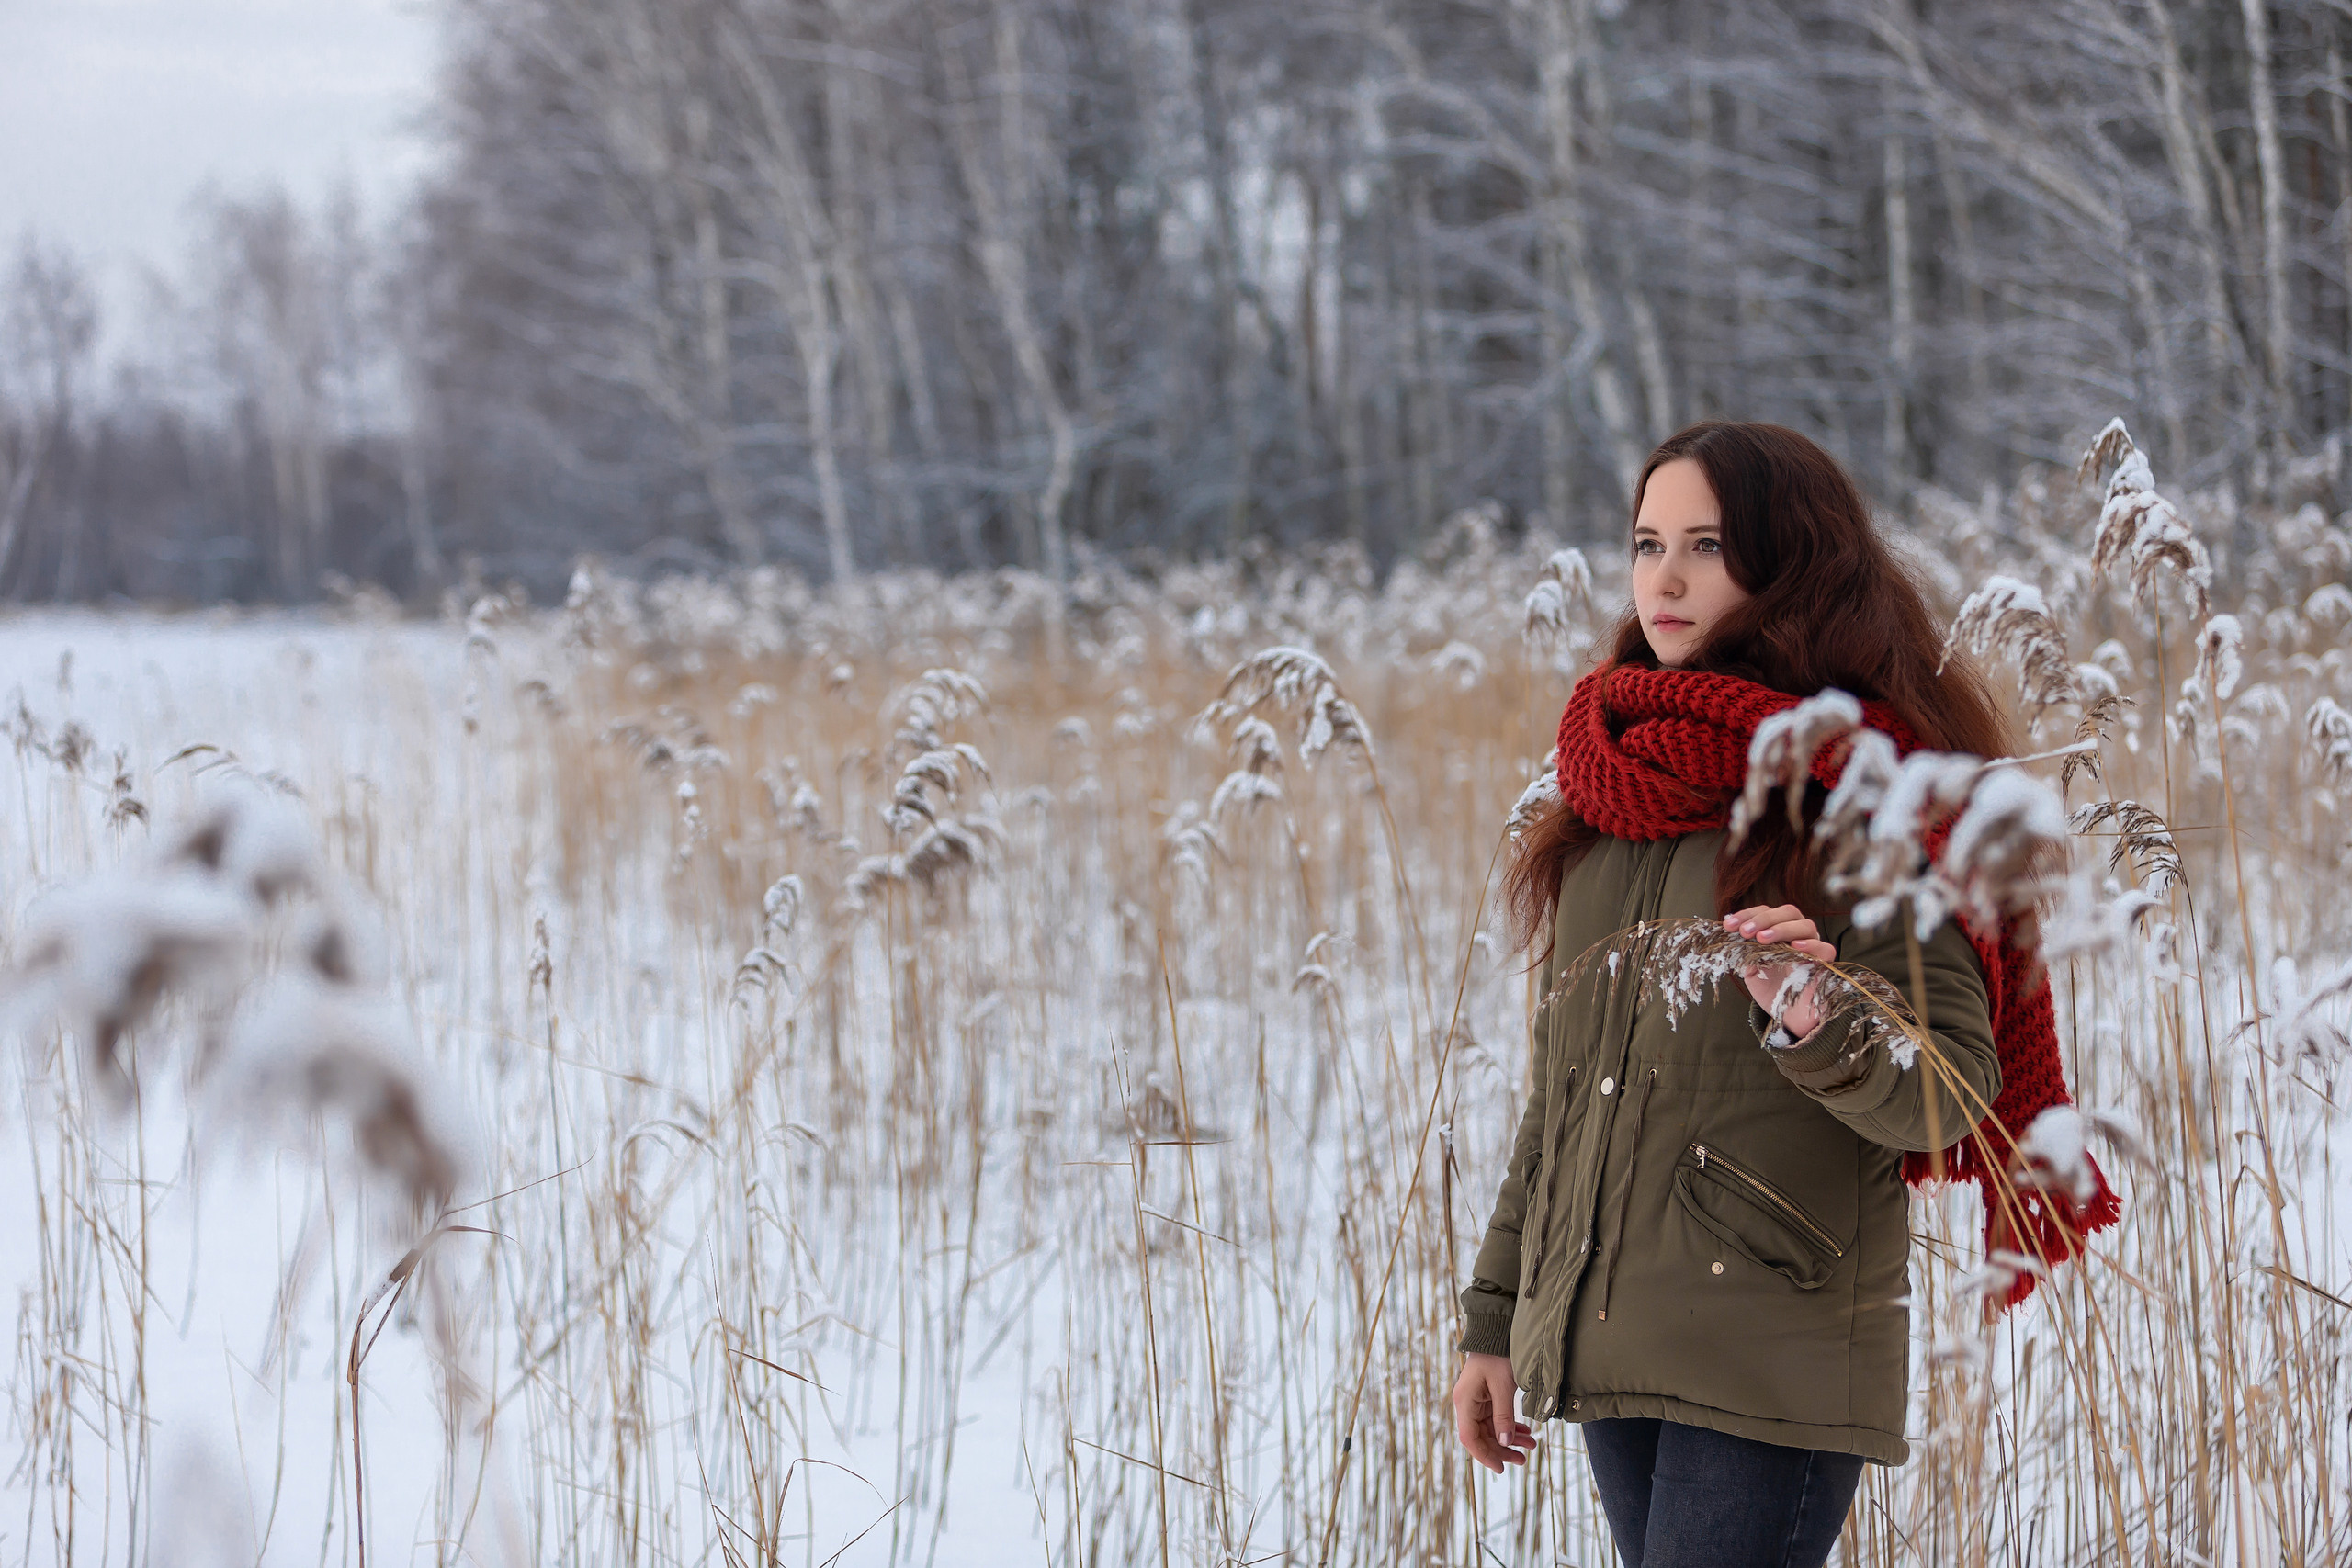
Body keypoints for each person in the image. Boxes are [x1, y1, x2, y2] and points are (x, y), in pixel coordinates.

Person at [1447, 422, 2116, 1567]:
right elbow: (1562, 1102)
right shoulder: (1612, 790)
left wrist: (1820, 1013)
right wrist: (1497, 1320)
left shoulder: (1863, 799)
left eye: (1706, 545)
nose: (1663, 577)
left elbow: (1950, 1091)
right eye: (1646, 540)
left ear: (1791, 560)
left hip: (1772, 1336)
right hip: (1613, 1330)